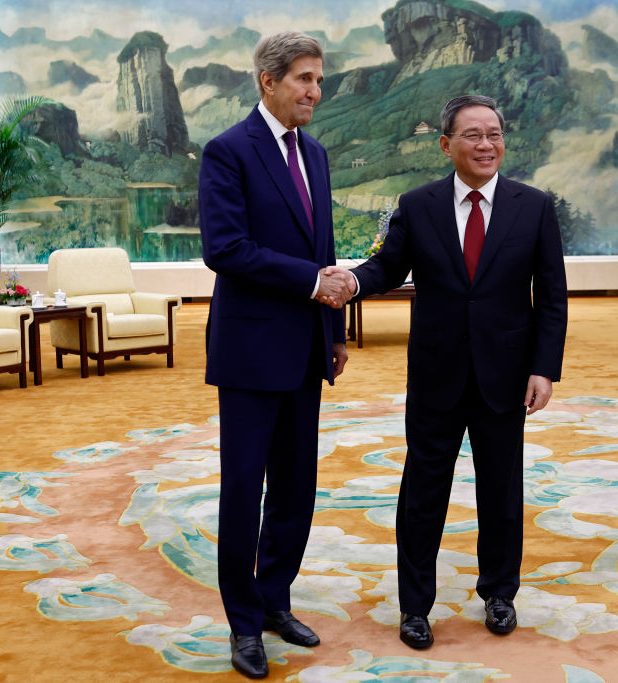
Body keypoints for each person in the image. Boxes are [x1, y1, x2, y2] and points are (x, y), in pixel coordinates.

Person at [329, 95, 567, 650]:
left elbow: (552, 296)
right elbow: (388, 266)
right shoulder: (418, 205)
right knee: (423, 493)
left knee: (501, 491)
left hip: (505, 374)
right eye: (473, 135)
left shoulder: (534, 206)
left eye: (494, 134)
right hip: (436, 373)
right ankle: (415, 606)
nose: (486, 145)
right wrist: (352, 282)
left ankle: (500, 592)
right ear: (446, 145)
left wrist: (544, 368)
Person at [198, 31, 352, 679]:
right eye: (304, 79)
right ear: (268, 81)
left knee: (294, 488)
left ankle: (273, 601)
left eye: (319, 80)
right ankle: (242, 623)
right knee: (243, 489)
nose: (315, 91)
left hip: (306, 346)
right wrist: (314, 284)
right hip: (250, 349)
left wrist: (334, 329)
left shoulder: (314, 152)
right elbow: (225, 249)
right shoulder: (228, 151)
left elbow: (323, 246)